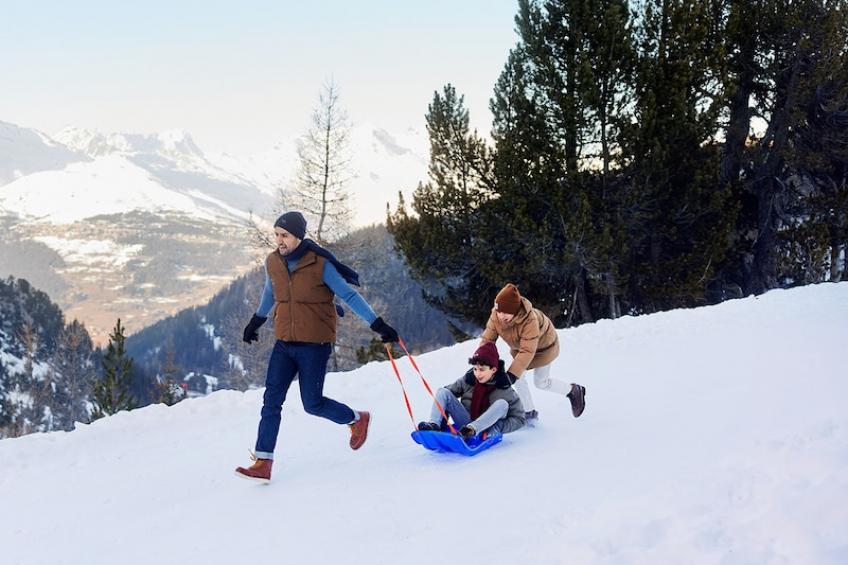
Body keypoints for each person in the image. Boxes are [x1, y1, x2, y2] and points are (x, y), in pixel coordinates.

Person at [235, 211, 399, 483]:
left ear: (298, 236)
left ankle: (356, 419)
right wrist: (256, 321)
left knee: (312, 404)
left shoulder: (319, 263)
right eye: (276, 234)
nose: (279, 240)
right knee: (271, 400)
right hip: (284, 343)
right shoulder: (273, 261)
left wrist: (378, 324)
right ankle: (263, 462)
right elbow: (269, 292)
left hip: (314, 344)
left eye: (284, 235)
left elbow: (349, 294)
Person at [480, 283, 585, 422]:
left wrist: (511, 375)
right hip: (521, 347)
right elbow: (488, 339)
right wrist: (481, 361)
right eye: (499, 311)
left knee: (541, 382)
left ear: (516, 310)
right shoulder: (496, 316)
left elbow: (527, 351)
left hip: (544, 348)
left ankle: (573, 390)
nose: (502, 316)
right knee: (518, 378)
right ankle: (529, 412)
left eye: (506, 312)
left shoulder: (530, 320)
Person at [417, 342, 525, 439]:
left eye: (482, 370)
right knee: (443, 392)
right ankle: (434, 426)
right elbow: (446, 396)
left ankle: (473, 430)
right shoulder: (469, 380)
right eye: (475, 369)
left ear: (493, 369)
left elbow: (519, 419)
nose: (477, 374)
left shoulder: (505, 389)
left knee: (502, 404)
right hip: (465, 425)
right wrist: (442, 419)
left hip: (487, 427)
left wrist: (498, 427)